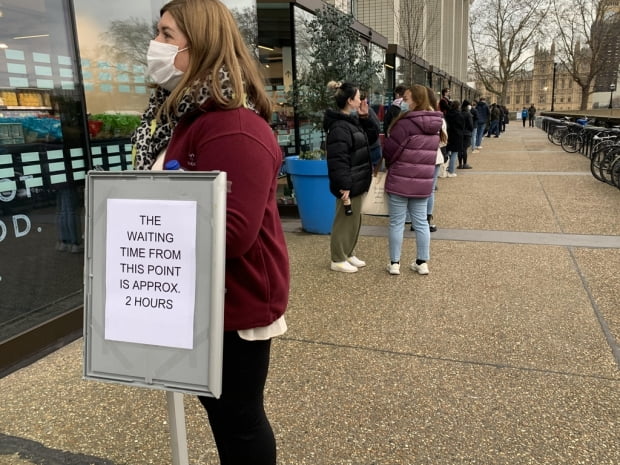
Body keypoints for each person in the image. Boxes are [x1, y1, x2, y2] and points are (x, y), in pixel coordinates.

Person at [131, 1, 290, 463]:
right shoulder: (182, 118)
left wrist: (146, 233)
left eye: (166, 34)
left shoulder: (233, 127)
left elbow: (235, 232)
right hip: (199, 299)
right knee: (223, 412)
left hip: (233, 307)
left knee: (238, 419)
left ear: (198, 46)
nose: (154, 45)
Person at [383, 84, 442, 276]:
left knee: (397, 223)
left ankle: (394, 263)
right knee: (422, 223)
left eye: (406, 99)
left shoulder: (405, 124)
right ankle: (422, 262)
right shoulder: (435, 125)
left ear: (416, 100)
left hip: (400, 180)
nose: (403, 102)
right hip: (423, 182)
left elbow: (390, 151)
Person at [323, 80, 377, 273]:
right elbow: (338, 159)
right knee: (344, 219)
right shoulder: (339, 127)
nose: (361, 99)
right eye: (358, 96)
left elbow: (370, 139)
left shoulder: (350, 121)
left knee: (353, 219)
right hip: (350, 180)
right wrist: (344, 184)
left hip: (357, 178)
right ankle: (338, 258)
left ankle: (348, 252)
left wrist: (365, 117)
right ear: (349, 100)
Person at [444, 99, 465, 177]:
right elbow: (462, 126)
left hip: (448, 135)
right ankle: (451, 171)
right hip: (457, 135)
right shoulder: (459, 115)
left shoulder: (447, 114)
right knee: (454, 153)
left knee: (446, 152)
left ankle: (444, 169)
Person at [458, 100, 473, 169]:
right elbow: (470, 125)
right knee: (464, 149)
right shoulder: (468, 114)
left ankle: (460, 164)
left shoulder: (459, 113)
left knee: (460, 149)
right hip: (467, 133)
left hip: (460, 133)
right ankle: (465, 163)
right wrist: (471, 130)